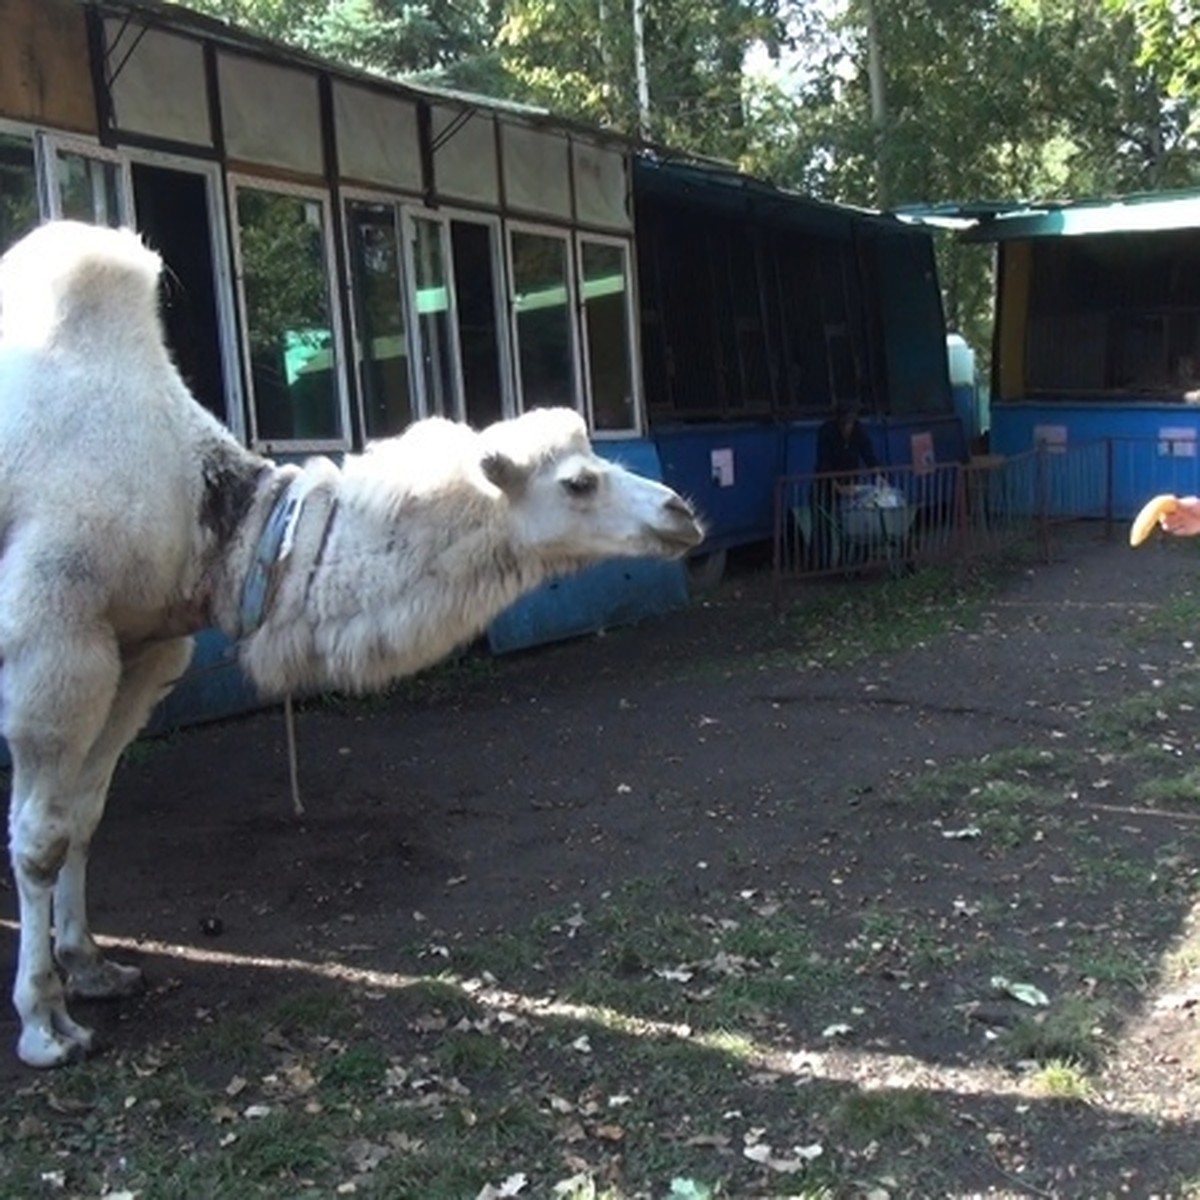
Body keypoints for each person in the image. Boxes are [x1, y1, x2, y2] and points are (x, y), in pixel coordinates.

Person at [811, 401, 881, 567]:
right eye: (845, 422)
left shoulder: (859, 431)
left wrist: (878, 476)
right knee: (823, 523)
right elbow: (824, 462)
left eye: (851, 421)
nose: (848, 426)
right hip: (826, 484)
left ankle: (850, 563)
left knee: (854, 524)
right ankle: (821, 563)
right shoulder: (826, 431)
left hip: (851, 482)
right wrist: (835, 486)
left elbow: (869, 455)